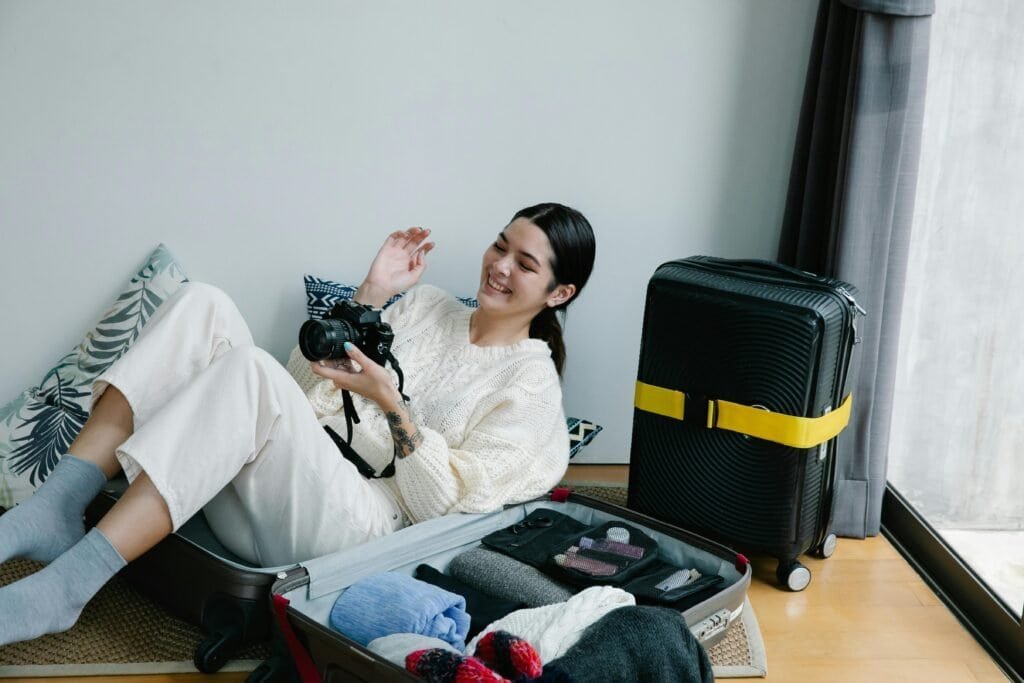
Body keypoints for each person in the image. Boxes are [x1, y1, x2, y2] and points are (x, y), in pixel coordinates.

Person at [0, 202, 596, 645]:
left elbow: (442, 514)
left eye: (524, 264)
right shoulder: (427, 305)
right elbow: (301, 392)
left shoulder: (532, 394)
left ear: (558, 292)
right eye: (500, 247)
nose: (499, 266)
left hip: (364, 528)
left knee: (252, 372)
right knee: (204, 304)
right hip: (288, 488)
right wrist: (371, 293)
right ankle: (56, 504)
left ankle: (69, 586)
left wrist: (392, 405)